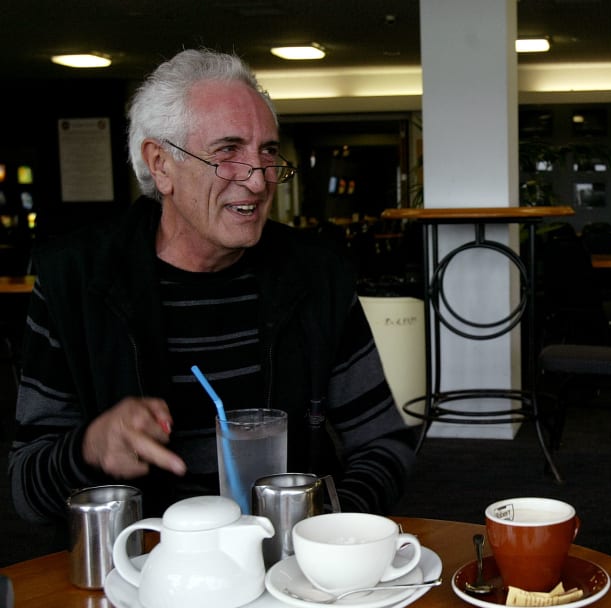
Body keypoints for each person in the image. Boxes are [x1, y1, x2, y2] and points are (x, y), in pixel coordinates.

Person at [9, 49, 415, 524]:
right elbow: (24, 490)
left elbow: (385, 443)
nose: (259, 179)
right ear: (160, 165)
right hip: (143, 566)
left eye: (266, 151)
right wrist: (87, 450)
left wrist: (330, 527)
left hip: (284, 572)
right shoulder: (73, 283)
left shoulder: (316, 275)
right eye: (228, 152)